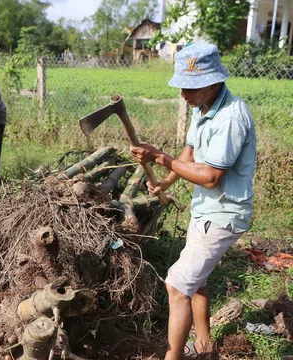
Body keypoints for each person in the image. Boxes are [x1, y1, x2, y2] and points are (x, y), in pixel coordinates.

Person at [129, 44, 256, 359]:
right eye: (181, 85)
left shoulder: (230, 116)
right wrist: (164, 180)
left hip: (224, 213)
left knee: (177, 285)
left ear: (212, 83)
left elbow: (212, 176)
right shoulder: (204, 108)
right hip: (206, 209)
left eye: (190, 87)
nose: (183, 93)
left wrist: (160, 157)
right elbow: (190, 153)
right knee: (196, 280)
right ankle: (203, 345)